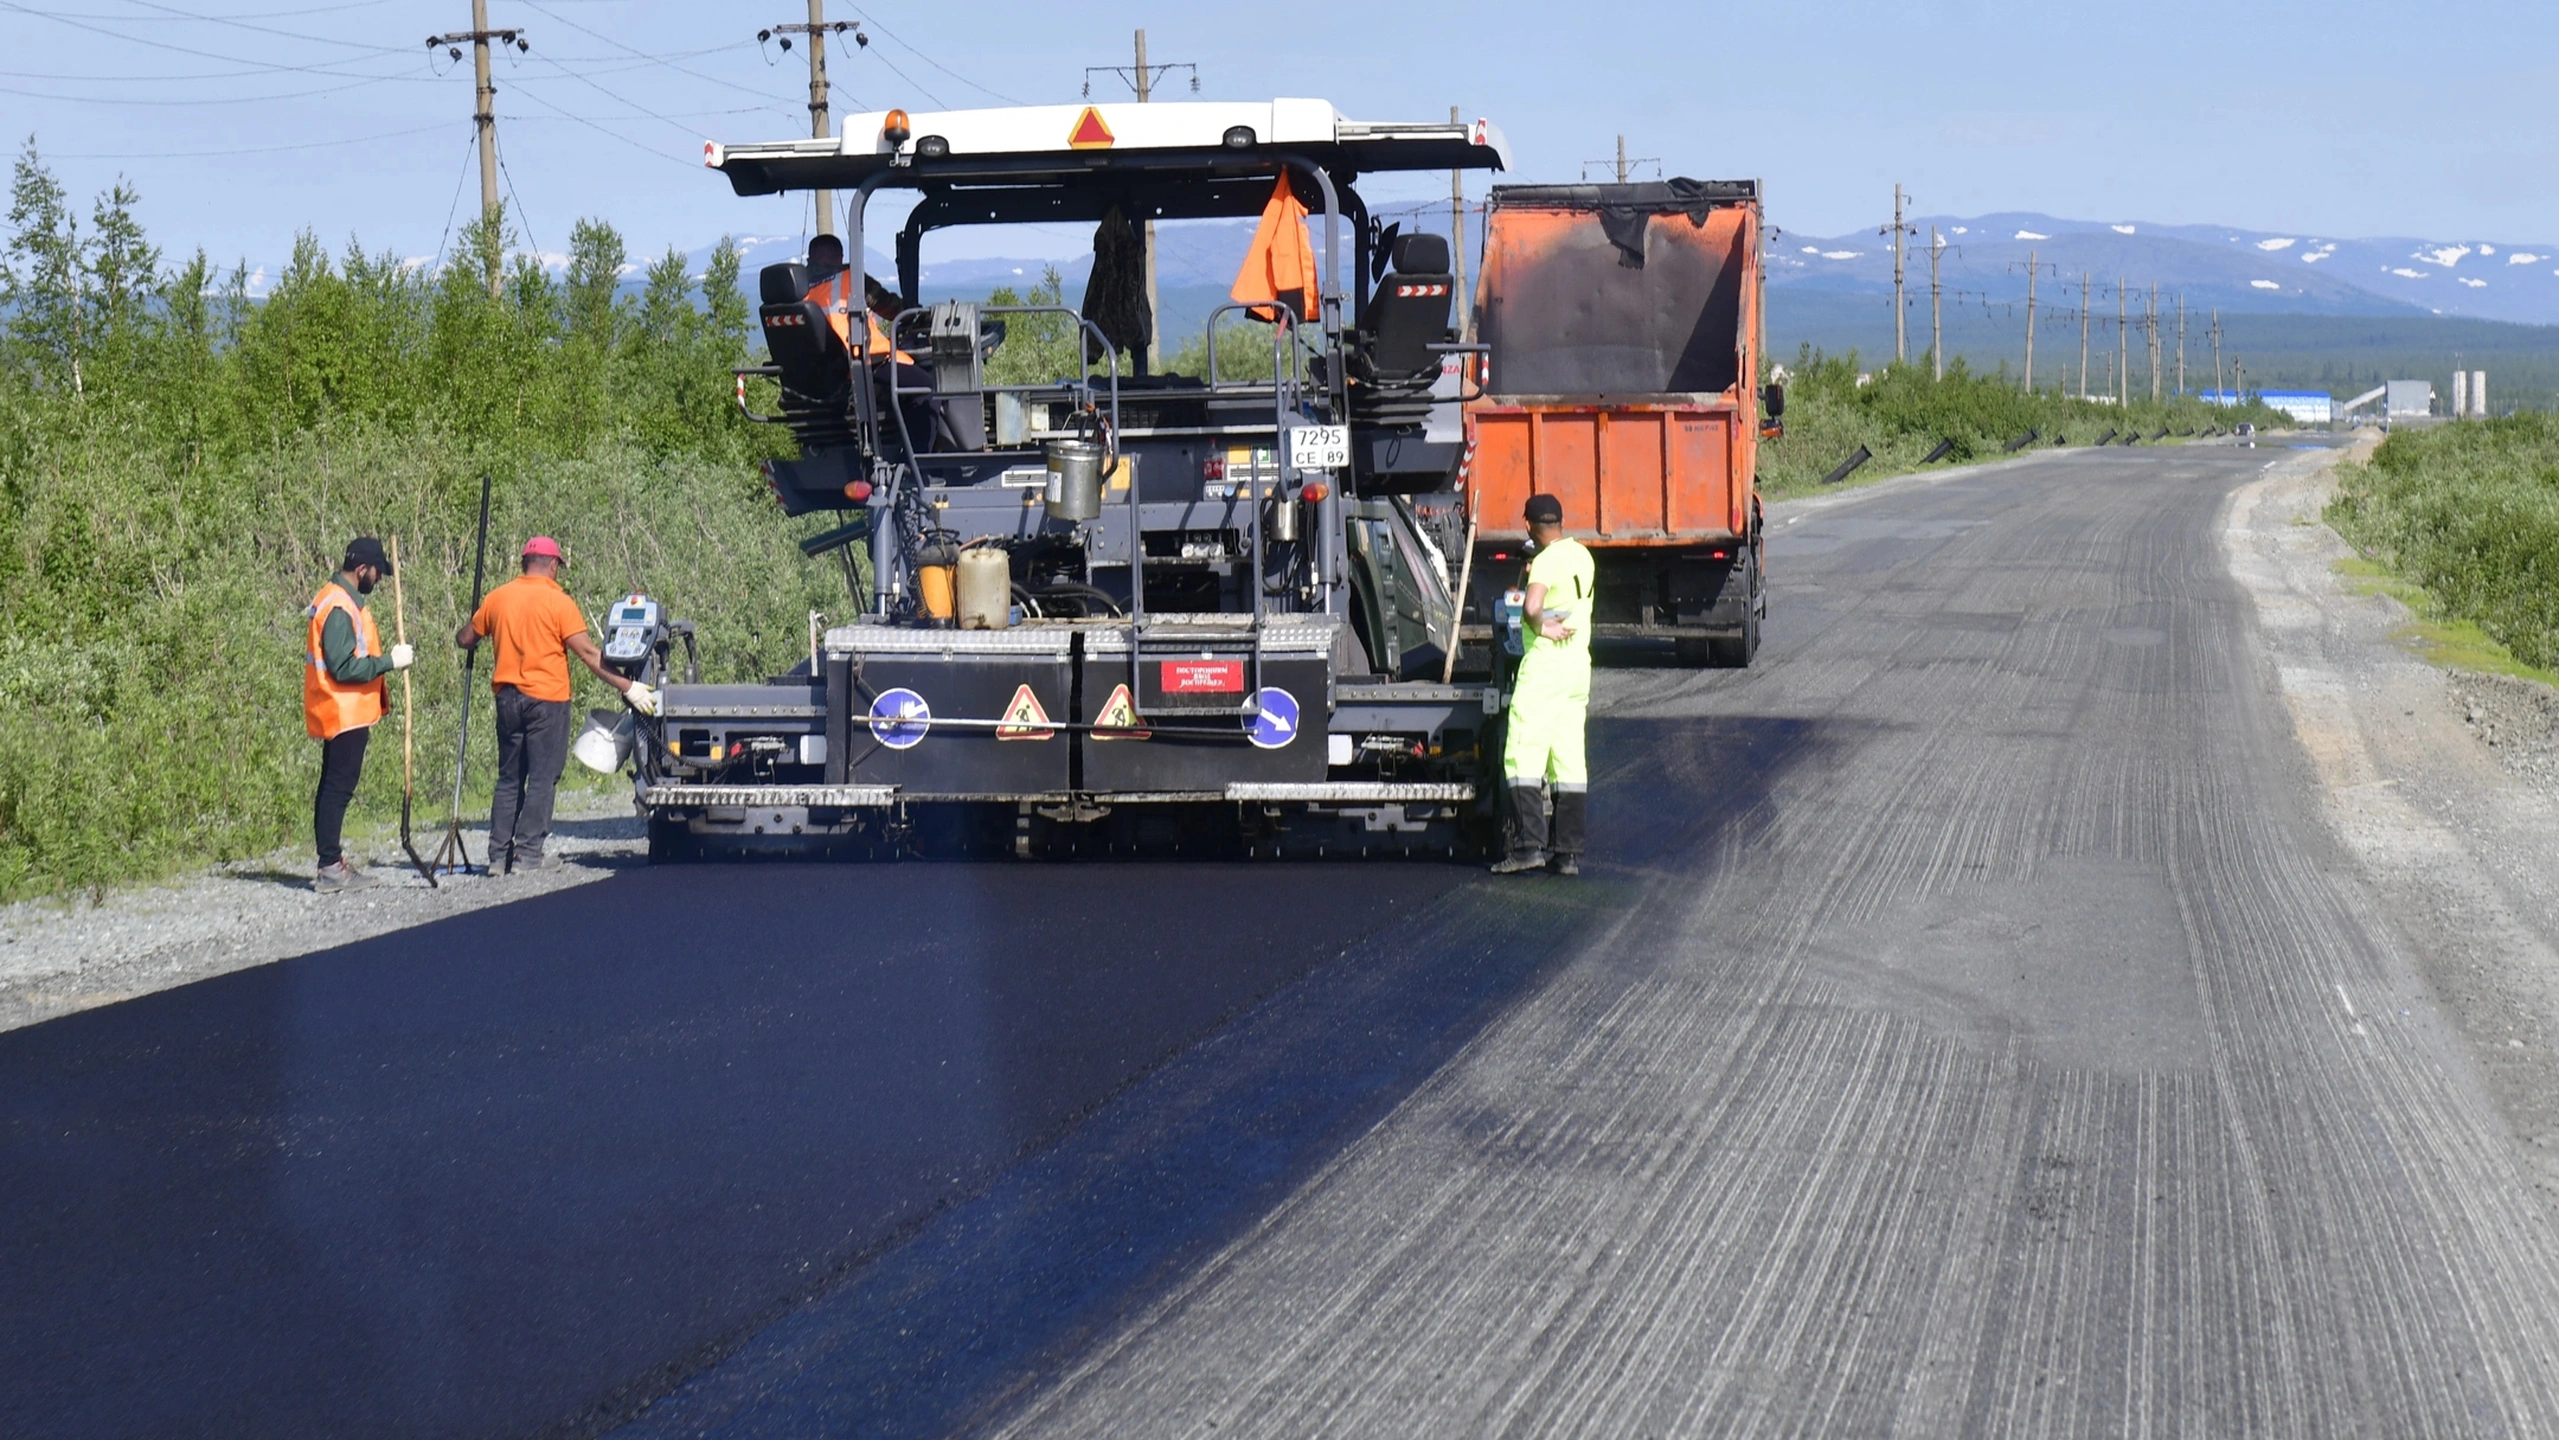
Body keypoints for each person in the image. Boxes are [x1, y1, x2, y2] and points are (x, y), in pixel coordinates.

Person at [454, 537, 659, 874]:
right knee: (542, 778)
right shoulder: (558, 602)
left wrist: (477, 618)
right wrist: (628, 686)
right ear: (552, 565)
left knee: (508, 778)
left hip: (507, 698)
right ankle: (528, 856)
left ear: (524, 563)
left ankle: (497, 857)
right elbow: (590, 654)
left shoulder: (497, 598)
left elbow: (465, 639)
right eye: (558, 567)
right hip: (547, 701)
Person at [305, 536, 415, 893]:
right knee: (337, 789)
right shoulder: (339, 606)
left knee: (333, 787)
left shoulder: (341, 599)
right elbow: (342, 666)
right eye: (377, 573)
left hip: (342, 709)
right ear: (362, 569)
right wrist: (390, 662)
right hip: (343, 710)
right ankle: (330, 867)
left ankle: (330, 863)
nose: (379, 580)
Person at [1493, 493, 1594, 876]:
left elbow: (1533, 605)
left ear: (1528, 525)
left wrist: (1539, 626)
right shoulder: (1581, 556)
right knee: (1568, 758)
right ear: (1561, 522)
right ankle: (1567, 854)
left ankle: (1527, 847)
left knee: (1522, 751)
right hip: (1576, 668)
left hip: (1546, 668)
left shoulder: (1546, 561)